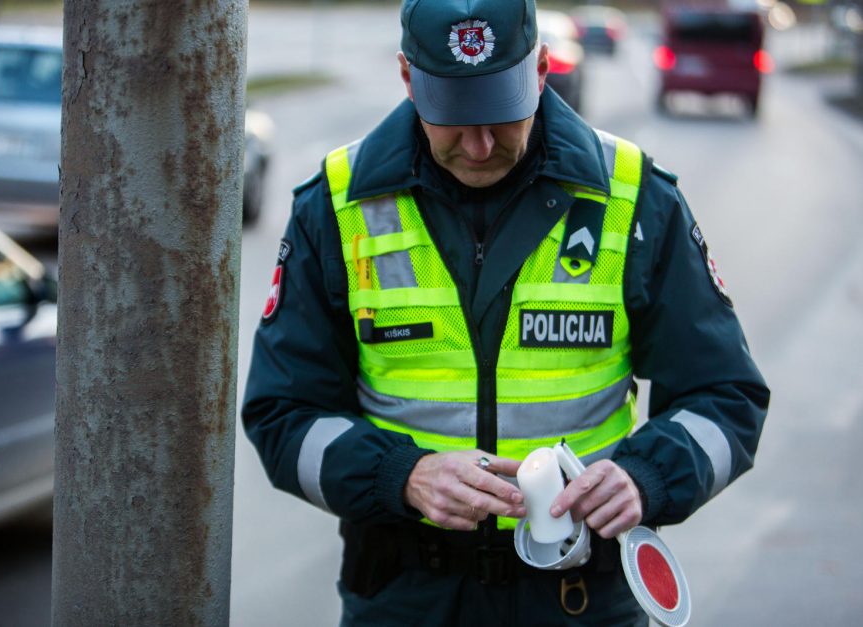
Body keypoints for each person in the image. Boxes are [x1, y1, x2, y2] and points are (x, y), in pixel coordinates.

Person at [242, 0, 770, 624]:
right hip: (404, 596)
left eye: (501, 112)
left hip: (581, 598)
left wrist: (644, 477)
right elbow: (282, 416)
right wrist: (401, 476)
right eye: (453, 118)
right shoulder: (337, 206)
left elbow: (726, 397)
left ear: (543, 70)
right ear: (408, 79)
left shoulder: (633, 198)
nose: (480, 143)